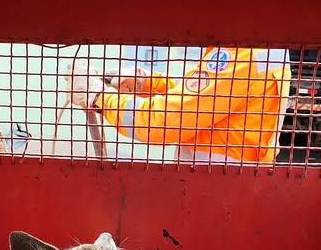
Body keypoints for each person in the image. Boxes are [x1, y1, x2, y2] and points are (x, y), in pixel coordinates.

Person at [66, 47, 291, 163]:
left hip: (213, 190)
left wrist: (98, 96)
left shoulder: (239, 55)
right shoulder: (262, 49)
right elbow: (206, 99)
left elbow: (164, 121)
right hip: (230, 187)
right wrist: (148, 83)